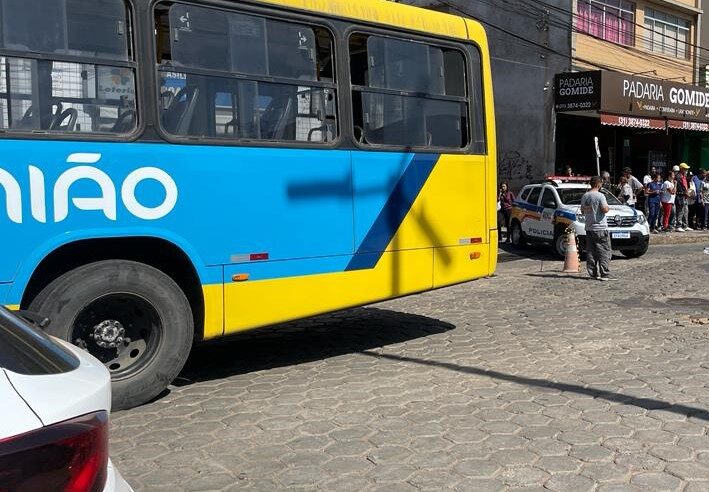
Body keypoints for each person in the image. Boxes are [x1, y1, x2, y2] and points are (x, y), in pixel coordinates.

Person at [580, 176, 613, 281]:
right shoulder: (600, 196)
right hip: (600, 227)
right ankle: (604, 273)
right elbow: (604, 209)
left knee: (591, 251)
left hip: (589, 228)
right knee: (604, 251)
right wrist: (607, 208)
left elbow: (582, 210)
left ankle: (593, 273)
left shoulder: (585, 196)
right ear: (599, 184)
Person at [675, 163, 691, 231]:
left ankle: (685, 225)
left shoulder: (684, 177)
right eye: (685, 169)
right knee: (680, 211)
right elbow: (679, 187)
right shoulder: (678, 176)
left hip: (685, 196)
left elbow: (686, 186)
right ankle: (678, 226)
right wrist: (685, 192)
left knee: (686, 211)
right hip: (680, 196)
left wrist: (687, 192)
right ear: (681, 169)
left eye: (687, 169)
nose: (686, 170)